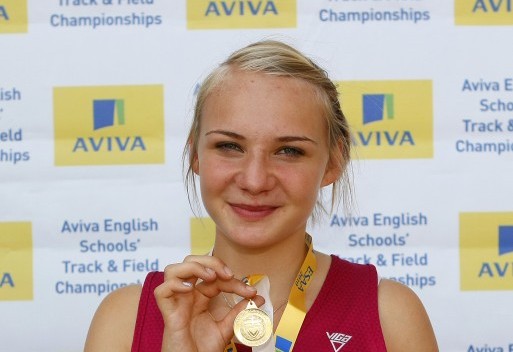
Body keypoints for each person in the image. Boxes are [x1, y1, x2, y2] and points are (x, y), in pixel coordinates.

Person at [84, 40, 438, 352]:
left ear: (333, 162)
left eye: (288, 151)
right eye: (229, 146)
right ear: (195, 155)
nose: (255, 181)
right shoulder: (125, 319)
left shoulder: (389, 315)